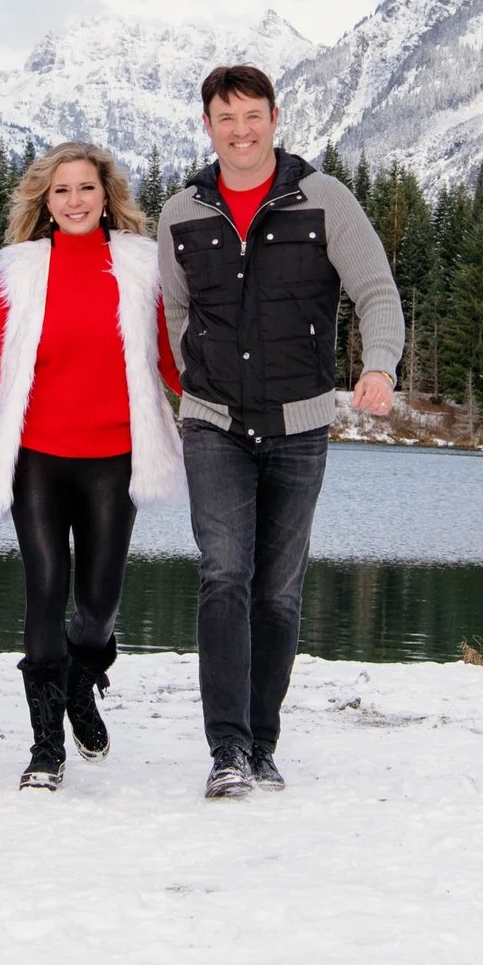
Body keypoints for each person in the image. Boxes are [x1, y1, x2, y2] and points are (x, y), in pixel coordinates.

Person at [156, 65, 404, 799]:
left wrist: (381, 367)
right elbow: (173, 315)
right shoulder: (182, 212)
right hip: (213, 422)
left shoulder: (322, 200)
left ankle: (263, 741)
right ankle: (226, 747)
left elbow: (376, 291)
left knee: (279, 591)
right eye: (226, 116)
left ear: (274, 117)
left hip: (301, 424)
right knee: (224, 573)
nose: (241, 129)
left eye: (253, 114)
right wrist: (190, 381)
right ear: (207, 125)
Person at [0, 141, 184, 791]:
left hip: (115, 457)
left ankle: (84, 682)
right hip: (37, 458)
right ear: (45, 201)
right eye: (62, 190)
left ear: (106, 196)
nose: (75, 199)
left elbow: (172, 361)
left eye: (87, 188)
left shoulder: (141, 267)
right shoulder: (22, 272)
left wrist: (221, 395)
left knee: (98, 600)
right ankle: (45, 745)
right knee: (46, 586)